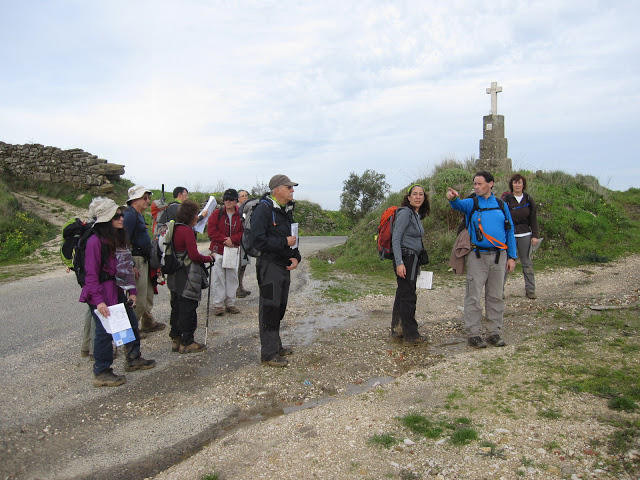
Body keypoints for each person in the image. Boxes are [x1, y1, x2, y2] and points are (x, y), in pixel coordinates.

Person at [79, 198, 156, 387]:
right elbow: (91, 275)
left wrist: (131, 290)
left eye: (121, 215)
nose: (122, 219)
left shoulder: (116, 238)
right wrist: (99, 301)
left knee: (128, 324)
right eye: (116, 216)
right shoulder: (95, 242)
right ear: (106, 220)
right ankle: (102, 371)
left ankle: (132, 358)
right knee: (105, 333)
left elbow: (123, 267)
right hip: (102, 293)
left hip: (116, 290)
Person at [446, 171, 517, 348]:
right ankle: (474, 334)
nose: (476, 187)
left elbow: (510, 229)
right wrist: (453, 199)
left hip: (499, 256)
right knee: (473, 296)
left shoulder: (501, 204)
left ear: (490, 184)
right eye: (474, 184)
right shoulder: (472, 202)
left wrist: (512, 257)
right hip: (477, 256)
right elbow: (459, 206)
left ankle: (494, 332)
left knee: (495, 296)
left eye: (479, 184)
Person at [250, 174, 301, 367]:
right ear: (277, 189)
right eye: (289, 187)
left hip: (282, 265)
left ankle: (276, 346)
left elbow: (293, 236)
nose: (292, 190)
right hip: (268, 266)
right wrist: (283, 242)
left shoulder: (284, 210)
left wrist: (296, 257)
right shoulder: (263, 210)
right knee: (269, 307)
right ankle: (268, 354)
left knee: (279, 306)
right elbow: (258, 240)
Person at [167, 200, 214, 353]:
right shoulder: (186, 231)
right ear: (191, 215)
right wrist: (209, 258)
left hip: (174, 273)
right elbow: (194, 255)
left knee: (176, 306)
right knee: (188, 307)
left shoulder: (174, 228)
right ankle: (187, 342)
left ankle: (176, 339)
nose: (197, 216)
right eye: (196, 214)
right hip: (186, 274)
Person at [391, 184, 430, 344]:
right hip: (405, 258)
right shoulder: (405, 213)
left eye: (421, 194)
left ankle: (398, 328)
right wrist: (399, 262)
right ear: (408, 197)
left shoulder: (416, 214)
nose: (418, 197)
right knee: (408, 296)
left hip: (412, 258)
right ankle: (411, 334)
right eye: (415, 194)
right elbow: (396, 238)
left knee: (403, 293)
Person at [123, 185, 166, 333]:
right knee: (139, 298)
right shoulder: (130, 215)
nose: (148, 201)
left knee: (147, 294)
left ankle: (147, 322)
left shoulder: (137, 214)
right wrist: (131, 264)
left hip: (143, 259)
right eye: (145, 198)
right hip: (137, 260)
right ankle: (131, 332)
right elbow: (124, 240)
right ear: (135, 200)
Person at [502, 174, 540, 299]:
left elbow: (533, 218)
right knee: (505, 263)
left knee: (526, 263)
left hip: (525, 234)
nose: (517, 185)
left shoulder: (528, 199)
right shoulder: (506, 200)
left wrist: (535, 235)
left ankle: (530, 290)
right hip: (509, 235)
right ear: (511, 184)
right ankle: (499, 291)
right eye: (515, 182)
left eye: (520, 182)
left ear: (523, 185)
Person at [207, 189, 244, 316]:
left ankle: (230, 303)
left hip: (233, 249)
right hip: (218, 250)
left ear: (236, 201)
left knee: (232, 277)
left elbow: (244, 232)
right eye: (226, 199)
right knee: (218, 277)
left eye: (231, 199)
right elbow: (211, 231)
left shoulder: (240, 215)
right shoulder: (217, 214)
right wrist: (224, 240)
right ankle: (218, 305)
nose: (228, 202)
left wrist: (232, 240)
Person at [236, 189, 251, 298]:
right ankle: (237, 288)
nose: (245, 197)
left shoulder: (249, 209)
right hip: (238, 242)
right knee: (238, 265)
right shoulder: (237, 209)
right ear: (238, 198)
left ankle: (240, 286)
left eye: (246, 195)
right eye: (242, 196)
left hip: (246, 241)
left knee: (243, 265)